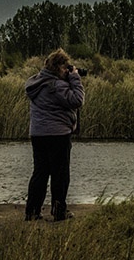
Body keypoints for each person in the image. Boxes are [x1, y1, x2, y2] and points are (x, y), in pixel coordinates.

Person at [24, 48, 85, 221]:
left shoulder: (36, 83)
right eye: (66, 67)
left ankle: (32, 211)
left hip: (38, 134)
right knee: (60, 174)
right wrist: (75, 78)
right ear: (58, 67)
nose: (67, 70)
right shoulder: (56, 86)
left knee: (40, 173)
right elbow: (77, 100)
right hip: (58, 134)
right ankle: (59, 211)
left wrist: (69, 77)